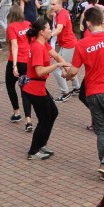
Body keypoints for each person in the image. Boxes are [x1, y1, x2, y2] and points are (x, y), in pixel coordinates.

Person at [66, 7, 104, 180]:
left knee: (102, 131)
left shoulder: (81, 44)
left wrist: (66, 75)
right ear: (103, 20)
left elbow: (73, 72)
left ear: (87, 23)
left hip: (92, 93)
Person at [22, 19, 71, 161]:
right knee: (44, 119)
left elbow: (55, 55)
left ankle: (41, 144)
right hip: (33, 88)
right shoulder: (37, 47)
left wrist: (66, 67)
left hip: (39, 87)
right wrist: (57, 66)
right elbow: (39, 71)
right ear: (41, 32)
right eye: (49, 28)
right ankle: (33, 151)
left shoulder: (44, 43)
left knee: (53, 113)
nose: (51, 30)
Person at [5, 5, 33, 130]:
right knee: (25, 90)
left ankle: (17, 113)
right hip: (27, 61)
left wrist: (14, 65)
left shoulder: (11, 27)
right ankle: (28, 121)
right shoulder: (28, 24)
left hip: (16, 61)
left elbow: (14, 46)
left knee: (10, 85)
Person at [49, 0, 80, 103]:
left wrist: (49, 35)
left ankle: (65, 92)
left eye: (53, 4)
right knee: (67, 66)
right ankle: (77, 87)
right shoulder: (61, 12)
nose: (51, 6)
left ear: (59, 4)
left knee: (56, 68)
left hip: (69, 44)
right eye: (51, 4)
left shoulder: (62, 14)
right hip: (67, 44)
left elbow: (59, 29)